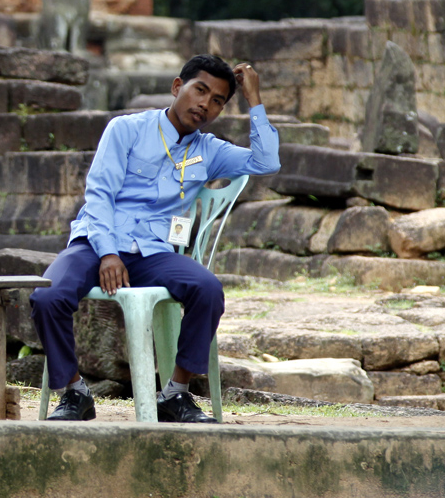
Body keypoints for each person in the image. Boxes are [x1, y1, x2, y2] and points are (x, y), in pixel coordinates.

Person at [30, 55, 280, 423]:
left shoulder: (209, 151)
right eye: (200, 90)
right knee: (48, 295)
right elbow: (100, 196)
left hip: (152, 254)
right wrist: (108, 254)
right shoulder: (126, 129)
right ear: (177, 87)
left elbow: (267, 162)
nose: (204, 105)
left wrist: (254, 100)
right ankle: (74, 392)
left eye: (217, 101)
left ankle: (175, 394)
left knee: (207, 289)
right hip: (97, 243)